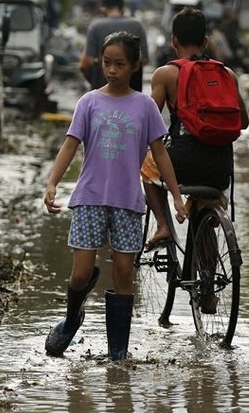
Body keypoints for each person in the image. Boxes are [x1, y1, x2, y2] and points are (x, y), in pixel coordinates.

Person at [44, 31, 187, 361]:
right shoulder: (89, 102)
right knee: (80, 273)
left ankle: (118, 356)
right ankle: (70, 320)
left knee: (124, 274)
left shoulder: (146, 106)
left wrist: (176, 196)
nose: (112, 70)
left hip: (127, 202)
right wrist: (52, 183)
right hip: (89, 198)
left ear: (136, 65)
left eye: (120, 64)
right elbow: (70, 145)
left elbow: (160, 155)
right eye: (107, 63)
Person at [140, 7, 249, 252]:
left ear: (173, 41)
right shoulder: (227, 74)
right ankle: (208, 286)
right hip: (220, 169)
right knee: (202, 209)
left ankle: (163, 226)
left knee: (147, 168)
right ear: (205, 42)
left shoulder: (165, 75)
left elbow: (149, 122)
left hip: (183, 164)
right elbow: (244, 122)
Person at [79, 0, 149, 92]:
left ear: (103, 9)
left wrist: (94, 79)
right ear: (123, 9)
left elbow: (86, 63)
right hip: (131, 92)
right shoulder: (137, 25)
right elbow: (144, 60)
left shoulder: (95, 27)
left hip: (101, 91)